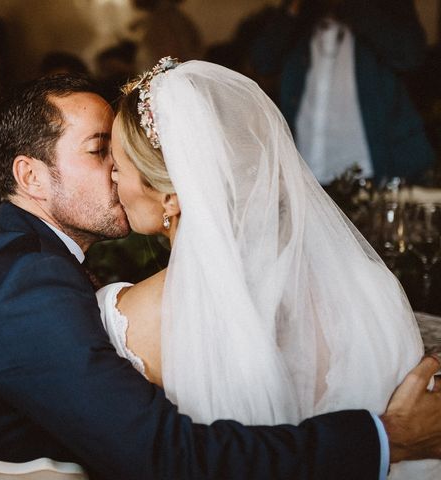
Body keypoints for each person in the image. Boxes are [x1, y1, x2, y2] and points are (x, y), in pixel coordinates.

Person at [0, 72, 441, 480]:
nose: (117, 174)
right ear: (31, 176)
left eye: (120, 156)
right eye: (101, 153)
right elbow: (158, 452)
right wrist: (386, 438)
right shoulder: (30, 284)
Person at [99, 57, 441, 479]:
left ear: (171, 197)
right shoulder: (369, 286)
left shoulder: (129, 321)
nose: (110, 178)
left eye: (117, 165)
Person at [250, 0, 435, 185]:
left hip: (372, 173)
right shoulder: (301, 18)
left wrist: (351, 7)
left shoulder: (384, 10)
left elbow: (411, 55)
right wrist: (294, 8)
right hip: (308, 175)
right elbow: (263, 60)